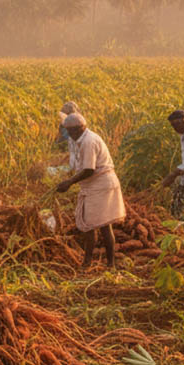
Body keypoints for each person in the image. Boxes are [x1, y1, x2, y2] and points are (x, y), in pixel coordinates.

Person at [52, 113, 125, 270]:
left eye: (70, 131)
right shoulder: (83, 139)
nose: (68, 135)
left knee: (93, 225)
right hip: (97, 185)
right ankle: (102, 263)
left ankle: (92, 263)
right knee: (99, 225)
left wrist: (69, 183)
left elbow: (89, 170)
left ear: (78, 129)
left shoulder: (88, 141)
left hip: (100, 185)